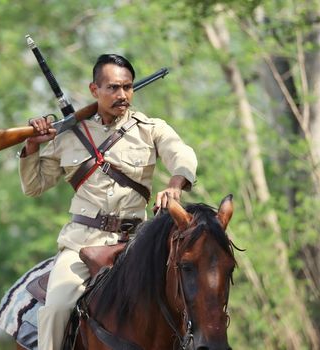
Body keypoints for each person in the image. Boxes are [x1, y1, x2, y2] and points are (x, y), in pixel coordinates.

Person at [19, 53, 197, 349]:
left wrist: (177, 182)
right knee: (56, 308)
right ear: (94, 90)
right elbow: (34, 187)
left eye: (127, 87)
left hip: (137, 243)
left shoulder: (150, 128)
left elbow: (181, 154)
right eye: (113, 88)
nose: (122, 94)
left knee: (186, 301)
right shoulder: (68, 135)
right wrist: (31, 146)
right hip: (81, 244)